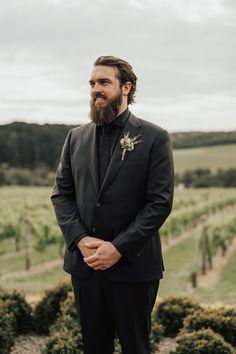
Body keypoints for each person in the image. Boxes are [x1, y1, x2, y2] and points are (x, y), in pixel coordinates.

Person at [51, 55, 174, 354]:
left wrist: (118, 248)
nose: (96, 89)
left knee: (136, 347)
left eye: (104, 82)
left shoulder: (155, 137)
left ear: (126, 88)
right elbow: (61, 195)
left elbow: (159, 202)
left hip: (133, 267)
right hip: (86, 267)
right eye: (92, 83)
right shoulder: (75, 138)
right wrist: (79, 240)